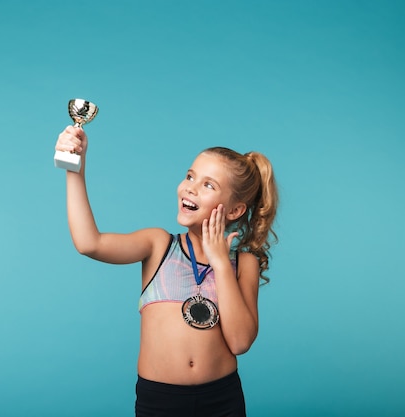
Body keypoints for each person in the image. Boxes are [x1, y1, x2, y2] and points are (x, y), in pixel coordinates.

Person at [55, 124, 279, 417]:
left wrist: (221, 263)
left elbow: (240, 342)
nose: (190, 187)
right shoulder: (158, 245)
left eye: (208, 185)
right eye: (190, 176)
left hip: (222, 400)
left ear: (235, 210)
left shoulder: (242, 262)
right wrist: (75, 168)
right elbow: (89, 243)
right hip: (160, 401)